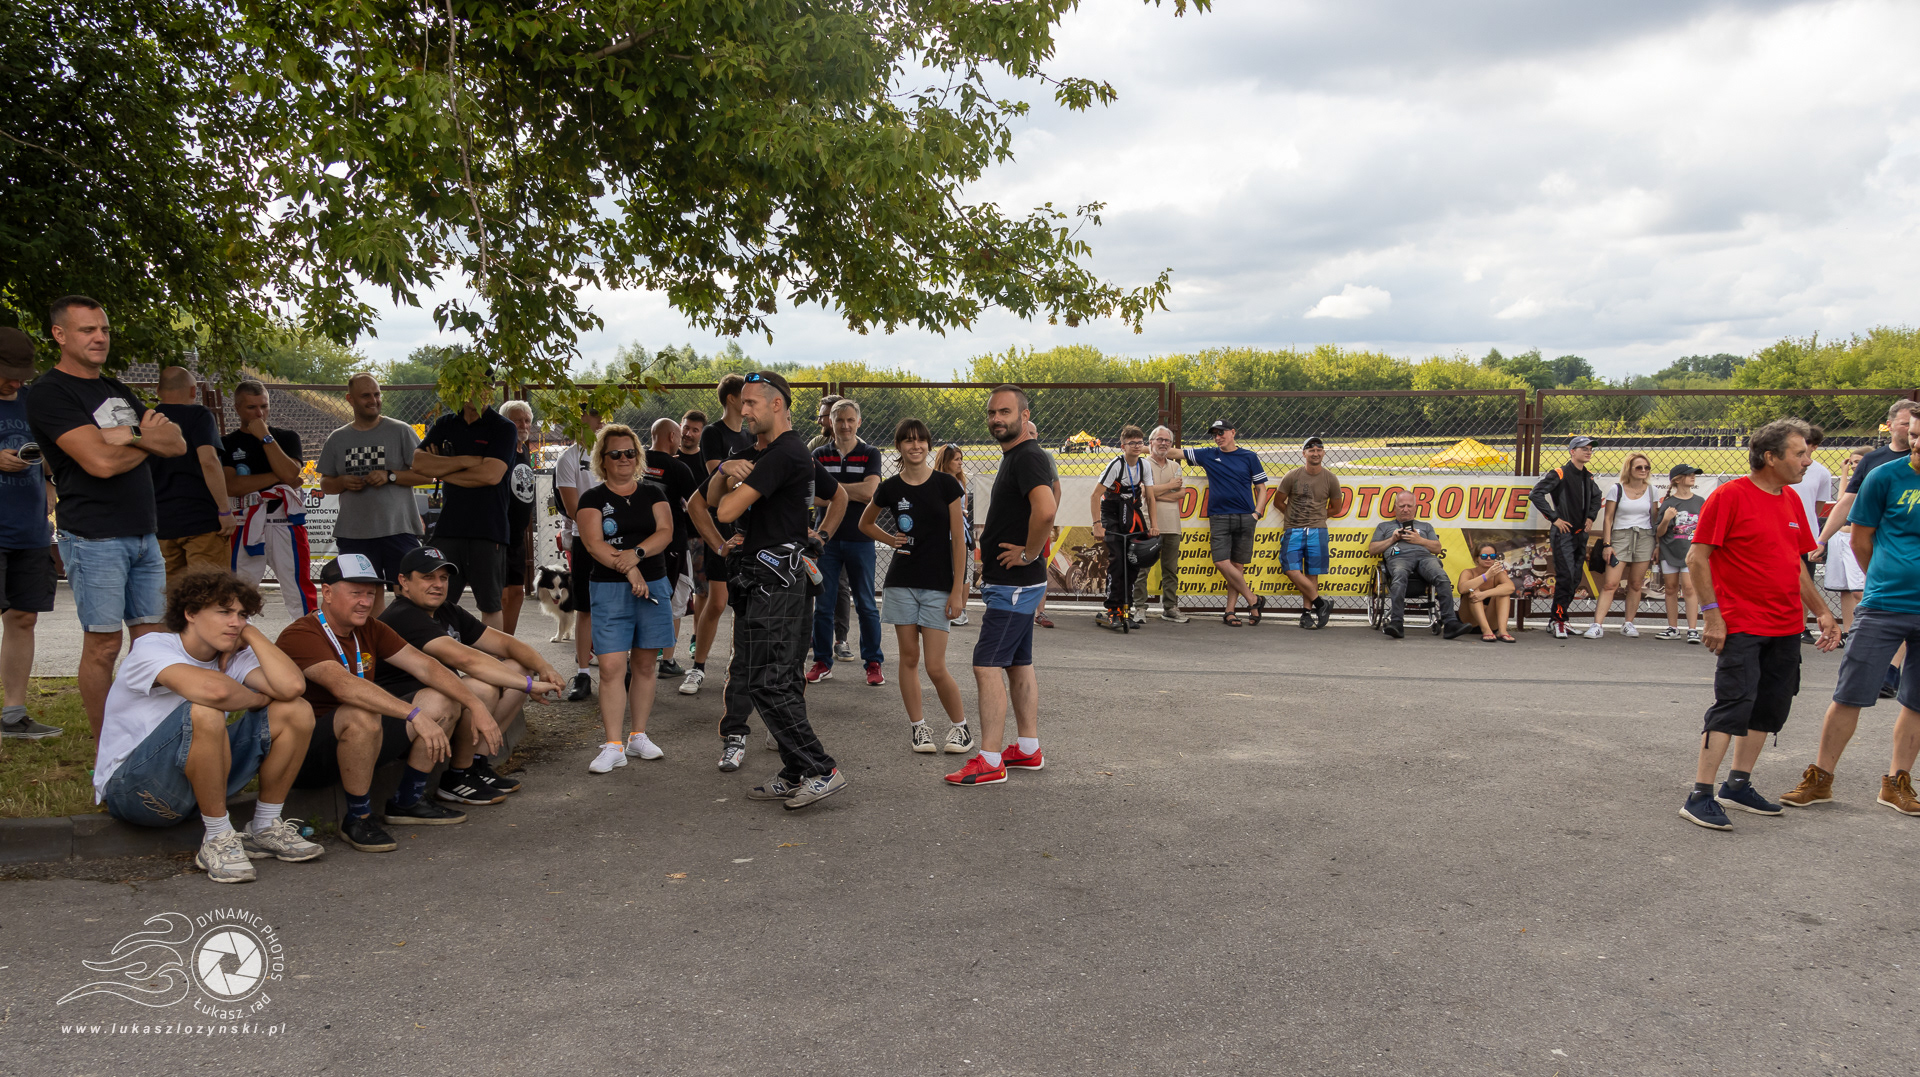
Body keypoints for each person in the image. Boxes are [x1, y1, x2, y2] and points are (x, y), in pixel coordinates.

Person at [92, 569, 319, 884]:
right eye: (224, 612)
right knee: (205, 710)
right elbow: (215, 692)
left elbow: (292, 686)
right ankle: (217, 837)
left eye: (242, 615)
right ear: (190, 613)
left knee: (296, 710)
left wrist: (252, 635)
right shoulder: (153, 646)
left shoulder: (233, 654)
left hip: (202, 783)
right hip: (137, 791)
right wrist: (257, 699)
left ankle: (265, 826)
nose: (235, 622)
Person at [29, 295, 188, 736]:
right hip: (93, 536)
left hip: (144, 532)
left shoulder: (115, 388)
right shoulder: (50, 392)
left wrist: (124, 435)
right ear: (60, 335)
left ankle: (149, 737)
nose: (99, 338)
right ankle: (108, 746)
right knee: (103, 646)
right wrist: (145, 437)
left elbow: (176, 442)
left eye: (104, 329)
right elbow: (100, 463)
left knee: (154, 644)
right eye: (87, 330)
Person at [279, 553, 504, 852]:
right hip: (307, 756)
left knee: (443, 698)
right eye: (355, 593)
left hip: (362, 739)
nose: (365, 602)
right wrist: (414, 714)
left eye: (370, 594)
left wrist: (475, 705)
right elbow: (345, 687)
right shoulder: (302, 633)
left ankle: (408, 801)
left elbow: (426, 666)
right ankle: (358, 818)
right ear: (328, 593)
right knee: (360, 713)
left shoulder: (369, 627)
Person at [1678, 418, 1840, 831]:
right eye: (1799, 453)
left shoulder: (1790, 499)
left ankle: (1737, 785)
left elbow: (1796, 564)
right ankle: (1699, 794)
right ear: (1771, 457)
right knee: (1734, 703)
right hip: (1742, 623)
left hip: (1786, 625)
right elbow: (1697, 558)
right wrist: (1713, 616)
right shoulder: (1730, 495)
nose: (1808, 461)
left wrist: (1822, 611)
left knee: (1769, 707)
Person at [705, 371, 846, 808]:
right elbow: (708, 499)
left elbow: (726, 509)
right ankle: (795, 769)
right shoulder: (767, 453)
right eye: (741, 403)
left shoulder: (784, 454)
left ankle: (821, 769)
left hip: (777, 582)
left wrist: (730, 475)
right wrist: (726, 469)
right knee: (774, 679)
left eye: (750, 403)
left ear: (777, 404)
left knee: (769, 681)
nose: (742, 410)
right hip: (766, 580)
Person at [1778, 424, 1920, 817]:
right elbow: (1860, 538)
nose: (1917, 442)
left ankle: (1897, 783)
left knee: (1916, 701)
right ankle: (1820, 778)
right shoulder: (1885, 476)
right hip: (1885, 604)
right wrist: (1884, 577)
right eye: (1915, 434)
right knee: (1850, 693)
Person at [376, 545, 562, 800]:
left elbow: (505, 643)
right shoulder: (403, 615)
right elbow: (466, 660)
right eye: (427, 577)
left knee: (520, 666)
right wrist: (529, 686)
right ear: (404, 582)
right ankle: (457, 776)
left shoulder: (446, 610)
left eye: (443, 578)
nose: (438, 584)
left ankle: (476, 764)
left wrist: (545, 668)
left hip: (443, 708)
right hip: (406, 718)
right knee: (482, 688)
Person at [946, 385, 1057, 788]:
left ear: (1024, 416)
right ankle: (1027, 749)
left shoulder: (1027, 456)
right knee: (1017, 662)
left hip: (1014, 584)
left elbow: (1047, 509)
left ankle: (990, 760)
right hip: (1016, 584)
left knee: (986, 664)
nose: (996, 419)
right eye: (992, 413)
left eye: (1005, 412)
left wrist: (1028, 553)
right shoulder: (1021, 456)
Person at [864, 418, 972, 753]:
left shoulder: (946, 484)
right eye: (908, 440)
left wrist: (957, 591)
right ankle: (919, 728)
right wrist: (890, 539)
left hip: (938, 585)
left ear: (928, 444)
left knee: (935, 666)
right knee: (908, 658)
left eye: (921, 440)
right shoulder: (890, 487)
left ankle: (961, 728)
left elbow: (959, 542)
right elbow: (865, 523)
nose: (915, 446)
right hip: (902, 583)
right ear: (898, 446)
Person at [575, 423, 677, 773]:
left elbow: (666, 532)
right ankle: (613, 745)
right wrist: (631, 569)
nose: (623, 458)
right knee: (610, 667)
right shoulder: (591, 499)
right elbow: (593, 544)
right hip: (609, 588)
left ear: (638, 456)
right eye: (615, 453)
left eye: (630, 452)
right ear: (602, 459)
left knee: (646, 665)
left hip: (654, 586)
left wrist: (637, 554)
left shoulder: (654, 493)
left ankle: (638, 736)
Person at [1817, 401, 1918, 700]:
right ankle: (1884, 668)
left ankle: (1891, 669)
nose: (1911, 434)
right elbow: (1847, 502)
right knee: (1865, 597)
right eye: (1907, 426)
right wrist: (1822, 539)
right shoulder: (1876, 464)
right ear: (1891, 424)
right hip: (1885, 569)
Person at [317, 374, 427, 617]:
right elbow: (325, 483)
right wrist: (342, 482)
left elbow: (427, 475)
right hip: (354, 534)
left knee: (408, 594)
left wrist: (390, 476)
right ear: (350, 399)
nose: (373, 400)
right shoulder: (338, 438)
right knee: (363, 597)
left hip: (398, 530)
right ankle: (371, 640)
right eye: (366, 396)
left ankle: (409, 637)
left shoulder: (400, 430)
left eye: (377, 394)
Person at [0, 329, 59, 740]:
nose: (14, 382)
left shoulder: (32, 400)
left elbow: (54, 453)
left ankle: (13, 715)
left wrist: (50, 478)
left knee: (23, 617)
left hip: (31, 528)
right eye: (7, 373)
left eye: (21, 374)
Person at [413, 391, 516, 628]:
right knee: (436, 600)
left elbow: (491, 475)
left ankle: (491, 653)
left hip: (488, 530)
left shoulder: (503, 427)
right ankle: (439, 650)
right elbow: (418, 463)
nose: (476, 393)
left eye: (483, 385)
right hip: (449, 528)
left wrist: (442, 469)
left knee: (490, 605)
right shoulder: (445, 424)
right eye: (469, 386)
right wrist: (467, 461)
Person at [222, 380, 315, 619]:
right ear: (237, 408)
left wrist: (265, 437)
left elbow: (291, 473)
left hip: (284, 521)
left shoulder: (286, 437)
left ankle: (310, 637)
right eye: (251, 407)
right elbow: (232, 486)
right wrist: (279, 476)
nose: (259, 413)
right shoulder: (227, 443)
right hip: (244, 521)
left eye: (264, 406)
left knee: (299, 589)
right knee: (237, 591)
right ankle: (236, 639)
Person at [809, 398, 886, 685]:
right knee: (823, 605)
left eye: (850, 420)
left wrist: (834, 492)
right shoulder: (818, 454)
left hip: (860, 539)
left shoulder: (870, 453)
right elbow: (812, 496)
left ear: (859, 422)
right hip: (825, 540)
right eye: (839, 420)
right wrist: (845, 493)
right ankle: (822, 662)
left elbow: (870, 493)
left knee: (866, 604)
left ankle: (873, 663)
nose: (845, 425)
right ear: (831, 422)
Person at [690, 375, 755, 693]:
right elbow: (718, 476)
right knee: (716, 602)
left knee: (745, 605)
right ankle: (697, 667)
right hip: (720, 526)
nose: (750, 402)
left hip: (746, 528)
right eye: (746, 396)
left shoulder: (749, 434)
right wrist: (735, 476)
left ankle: (737, 668)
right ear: (731, 398)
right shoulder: (713, 432)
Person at [149, 365, 234, 584]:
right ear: (193, 391)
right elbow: (208, 460)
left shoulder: (147, 421)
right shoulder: (199, 415)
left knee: (170, 593)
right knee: (210, 591)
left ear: (158, 390)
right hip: (201, 521)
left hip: (161, 522)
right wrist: (225, 510)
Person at [1182, 419, 1267, 626]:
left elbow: (1261, 488)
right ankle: (1253, 600)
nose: (1218, 437)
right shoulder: (1209, 454)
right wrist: (1142, 446)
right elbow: (1176, 452)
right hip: (1219, 517)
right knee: (1221, 562)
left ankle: (1230, 611)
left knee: (1237, 566)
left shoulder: (1249, 456)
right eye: (1214, 434)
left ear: (1233, 432)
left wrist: (1256, 513)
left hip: (1245, 517)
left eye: (1221, 433)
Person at [1528, 436, 1604, 640]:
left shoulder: (1588, 476)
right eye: (1584, 448)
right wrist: (1554, 518)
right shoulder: (1559, 473)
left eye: (1590, 449)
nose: (1588, 452)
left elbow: (1597, 497)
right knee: (1567, 576)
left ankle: (1557, 619)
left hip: (1580, 535)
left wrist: (1591, 517)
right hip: (1563, 535)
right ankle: (1559, 621)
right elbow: (1536, 494)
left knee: (1575, 578)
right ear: (1572, 451)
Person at [553, 404, 604, 701]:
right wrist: (597, 531)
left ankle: (621, 667)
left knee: (618, 605)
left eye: (597, 416)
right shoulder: (568, 458)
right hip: (585, 538)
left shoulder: (612, 453)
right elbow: (573, 507)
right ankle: (583, 674)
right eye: (589, 416)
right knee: (585, 608)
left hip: (617, 540)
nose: (596, 422)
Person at [1367, 492, 1468, 640]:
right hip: (1399, 557)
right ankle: (1396, 623)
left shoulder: (1425, 526)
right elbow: (1372, 550)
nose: (1405, 509)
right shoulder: (1384, 526)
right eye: (1402, 506)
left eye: (1409, 506)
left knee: (1441, 576)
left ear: (1415, 508)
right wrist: (1392, 539)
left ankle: (1450, 623)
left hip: (1424, 558)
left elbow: (1437, 548)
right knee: (1399, 574)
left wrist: (1419, 540)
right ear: (1395, 507)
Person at [645, 418, 701, 681]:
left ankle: (637, 656)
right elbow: (695, 503)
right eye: (679, 434)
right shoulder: (679, 467)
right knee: (675, 600)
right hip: (673, 543)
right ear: (671, 437)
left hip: (638, 544)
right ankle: (667, 660)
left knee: (640, 597)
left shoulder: (633, 461)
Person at [1089, 424, 1157, 630]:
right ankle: (1113, 610)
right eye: (1132, 443)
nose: (1136, 446)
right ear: (1123, 446)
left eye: (1139, 443)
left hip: (1133, 512)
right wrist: (1097, 525)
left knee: (1134, 561)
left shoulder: (1144, 466)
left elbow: (1150, 498)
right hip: (1112, 513)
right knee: (1118, 560)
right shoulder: (1116, 465)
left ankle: (1126, 609)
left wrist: (1154, 526)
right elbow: (1095, 495)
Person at [1585, 453, 1658, 638]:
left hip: (1645, 537)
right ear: (1629, 469)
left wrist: (1657, 544)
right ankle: (1597, 624)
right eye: (1639, 467)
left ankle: (1628, 623)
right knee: (1611, 583)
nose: (1643, 470)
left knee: (1636, 584)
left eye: (1646, 467)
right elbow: (1608, 518)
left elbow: (1654, 519)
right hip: (1620, 536)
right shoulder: (1617, 489)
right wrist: (1607, 544)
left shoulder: (1652, 490)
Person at [1275, 436, 1341, 630]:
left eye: (1319, 450)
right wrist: (1294, 516)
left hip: (1318, 530)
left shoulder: (1330, 478)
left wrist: (1318, 516)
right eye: (1311, 450)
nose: (1315, 453)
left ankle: (1307, 614)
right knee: (1290, 568)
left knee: (1312, 572)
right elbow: (1278, 501)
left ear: (1323, 453)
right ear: (1304, 453)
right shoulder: (1292, 476)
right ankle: (1321, 604)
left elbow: (1337, 508)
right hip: (1293, 529)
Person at [1818, 449, 1870, 639]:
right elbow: (1841, 501)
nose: (1855, 466)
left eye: (1859, 462)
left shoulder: (1872, 480)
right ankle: (1848, 632)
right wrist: (1845, 473)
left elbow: (1844, 502)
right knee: (1845, 589)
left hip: (1854, 536)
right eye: (1852, 462)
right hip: (1839, 535)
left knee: (1858, 590)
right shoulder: (1852, 482)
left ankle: (1865, 630)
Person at [1138, 426, 1187, 623]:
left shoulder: (1175, 466)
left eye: (1167, 440)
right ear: (1150, 442)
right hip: (1147, 524)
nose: (1163, 443)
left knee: (1170, 570)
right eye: (1159, 439)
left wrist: (1155, 494)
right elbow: (1142, 492)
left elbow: (1181, 493)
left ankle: (1170, 608)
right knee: (1142, 570)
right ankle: (1139, 607)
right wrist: (1169, 487)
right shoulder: (1142, 464)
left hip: (1172, 525)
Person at [497, 400, 538, 634]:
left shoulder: (524, 451)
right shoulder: (502, 450)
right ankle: (494, 645)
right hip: (499, 533)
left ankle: (508, 641)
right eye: (517, 420)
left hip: (517, 535)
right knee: (501, 595)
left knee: (517, 592)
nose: (523, 425)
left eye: (527, 420)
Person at [1654, 465, 1707, 643]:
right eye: (1689, 475)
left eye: (1694, 475)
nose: (1693, 477)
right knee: (1670, 588)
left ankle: (1692, 629)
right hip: (1670, 551)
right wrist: (1666, 519)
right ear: (1677, 479)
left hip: (1690, 552)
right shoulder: (1669, 503)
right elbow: (1660, 532)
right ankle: (1673, 627)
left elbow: (1705, 527)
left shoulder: (1700, 501)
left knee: (1689, 588)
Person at [934, 443, 977, 627]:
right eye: (956, 460)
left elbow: (964, 508)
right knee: (944, 571)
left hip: (958, 534)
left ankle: (961, 610)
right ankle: (943, 607)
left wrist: (961, 513)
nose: (960, 463)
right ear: (946, 462)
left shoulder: (960, 481)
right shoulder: (937, 481)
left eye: (961, 459)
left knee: (962, 573)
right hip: (942, 534)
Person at [1026, 419, 1062, 630]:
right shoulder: (1010, 456)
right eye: (1026, 432)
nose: (1029, 437)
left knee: (1040, 564)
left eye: (1033, 433)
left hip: (1039, 522)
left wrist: (1050, 515)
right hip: (1020, 523)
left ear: (1037, 436)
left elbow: (1057, 488)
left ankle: (1040, 612)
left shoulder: (1046, 457)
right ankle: (1021, 610)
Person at [1457, 544, 1516, 642]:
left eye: (1492, 556)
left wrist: (1484, 594)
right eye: (1484, 556)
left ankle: (1502, 631)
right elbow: (1462, 589)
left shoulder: (1499, 574)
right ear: (1476, 558)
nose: (1488, 559)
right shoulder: (1468, 572)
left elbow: (1511, 587)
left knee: (1503, 592)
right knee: (1473, 590)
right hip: (1469, 622)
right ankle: (1486, 630)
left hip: (1491, 622)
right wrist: (1486, 576)